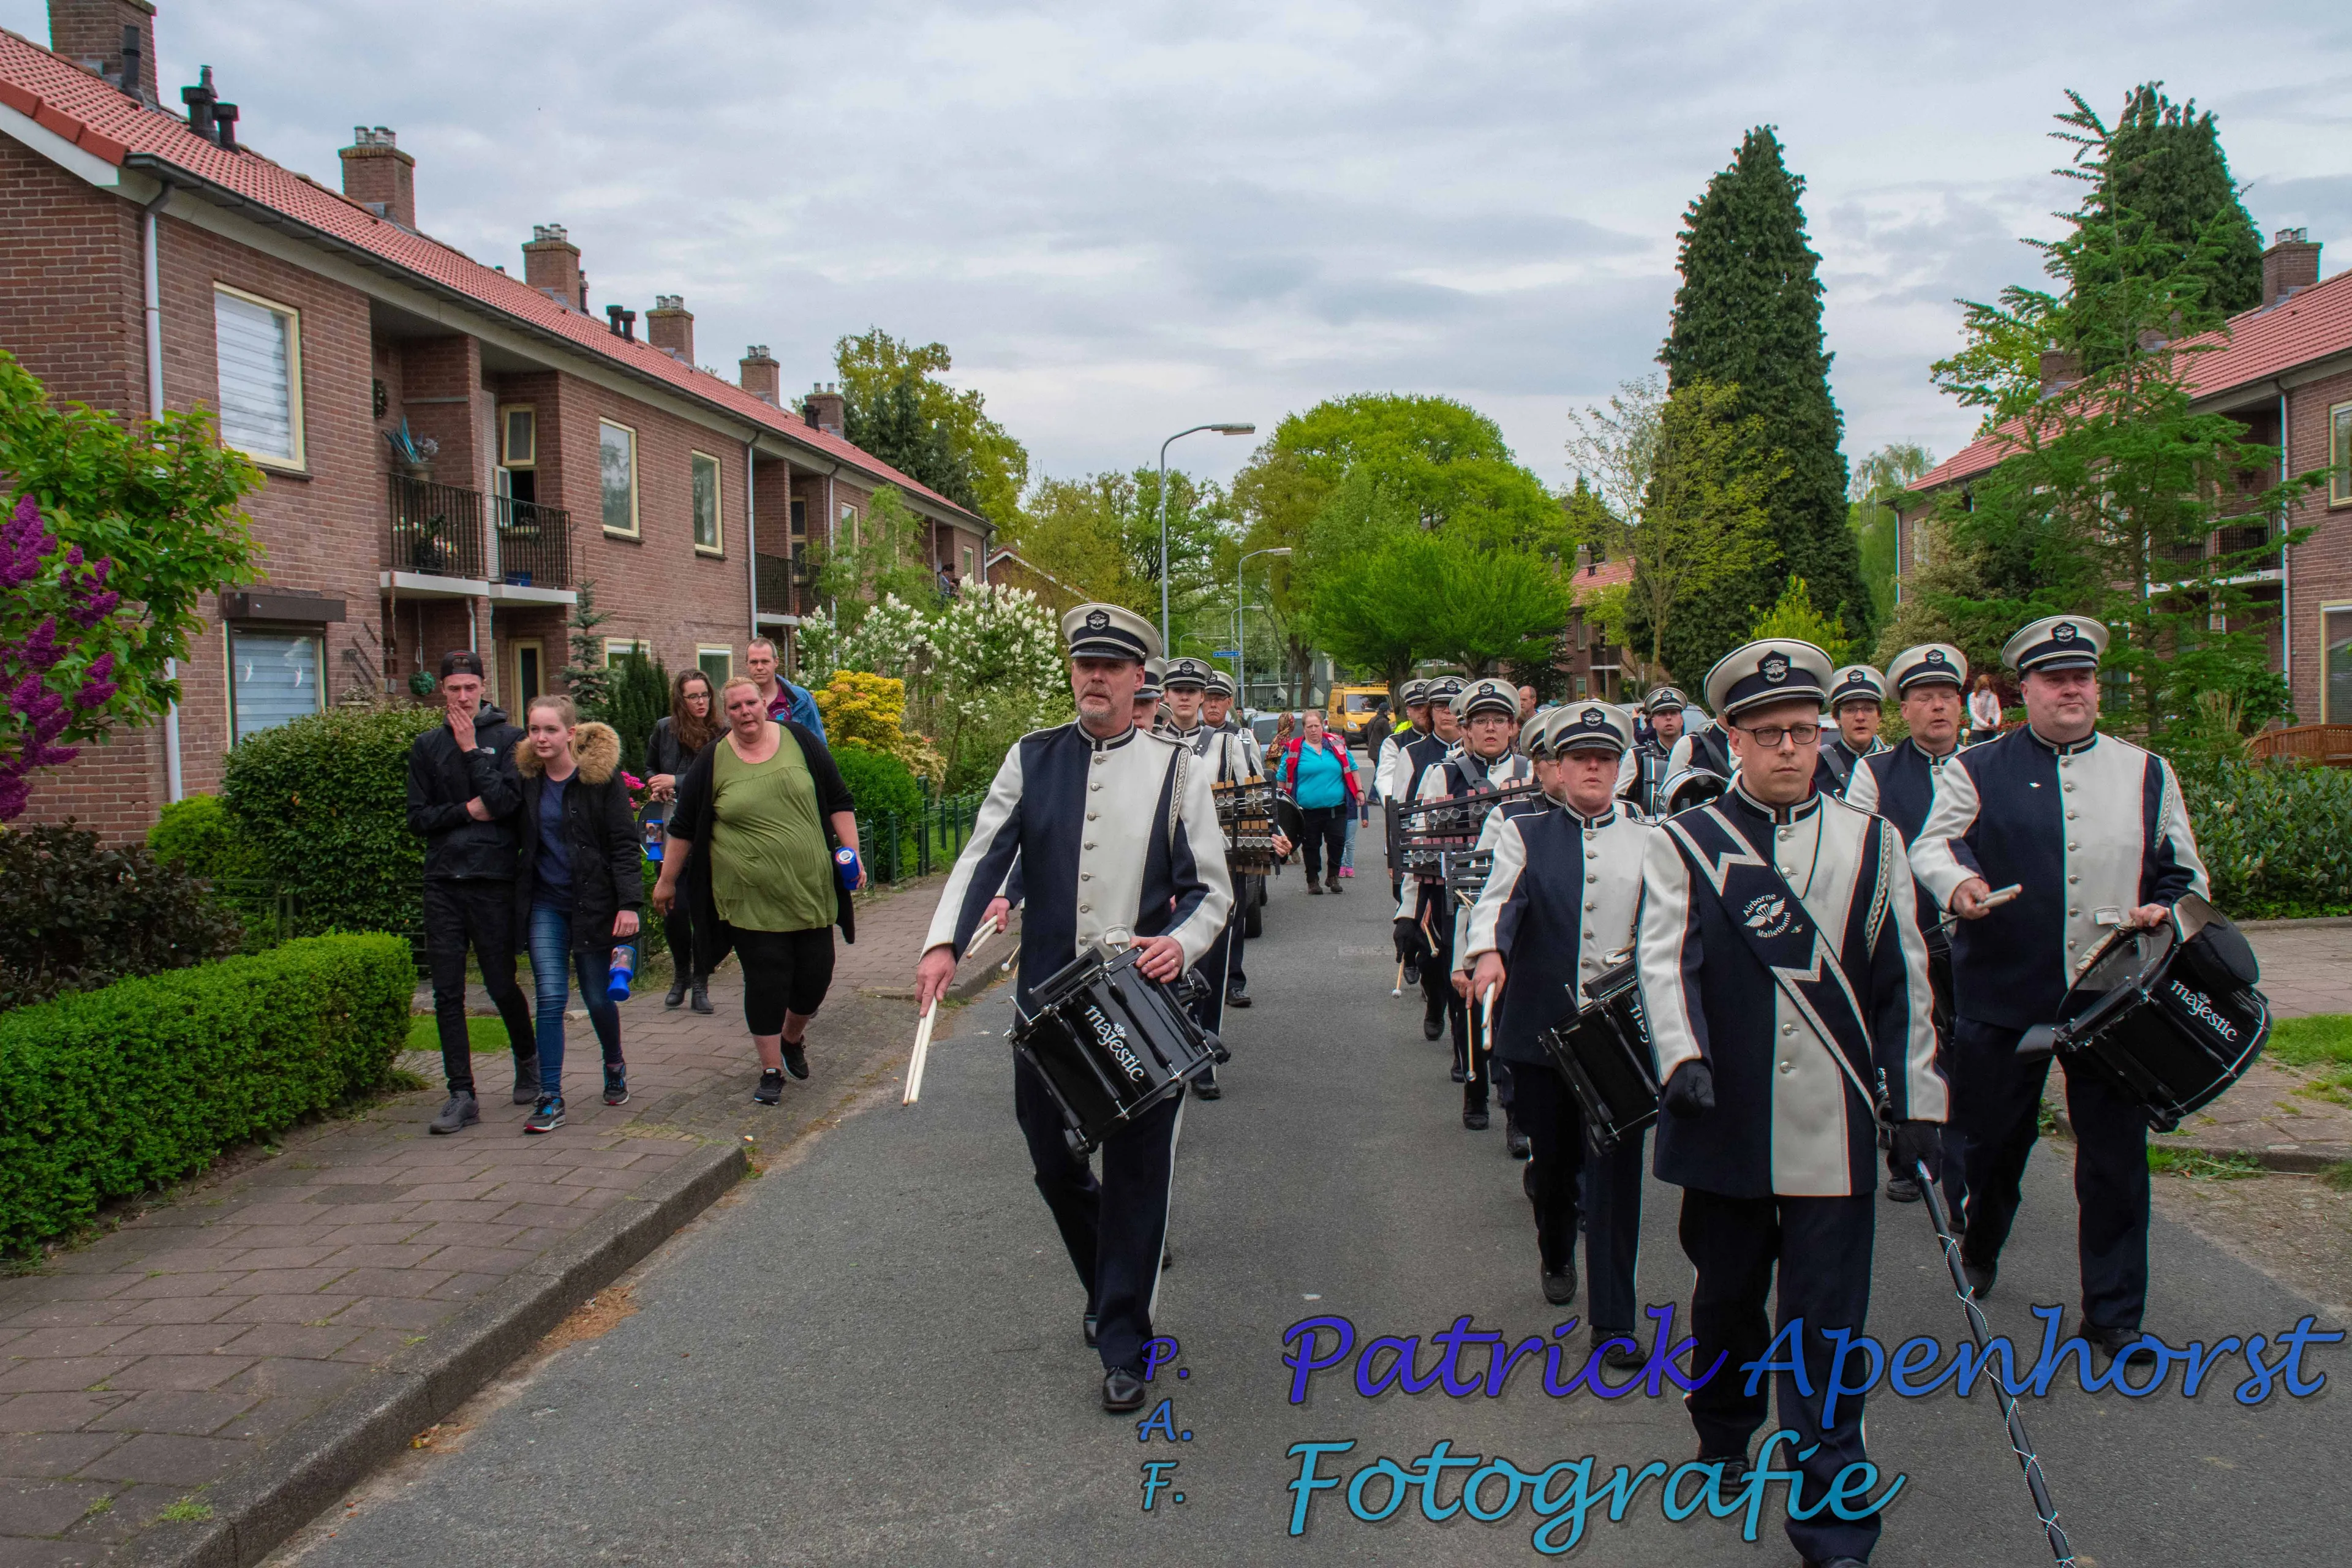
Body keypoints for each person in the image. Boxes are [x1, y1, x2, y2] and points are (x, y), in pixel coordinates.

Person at [1637, 637, 1945, 1568]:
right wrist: (1680, 1057)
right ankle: (1725, 1426)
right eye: (1767, 733)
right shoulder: (1685, 842)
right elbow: (1665, 961)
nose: (1788, 749)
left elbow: (1909, 985)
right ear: (1732, 736)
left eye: (1802, 733)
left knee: (1828, 1325)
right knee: (1729, 1300)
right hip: (1723, 1119)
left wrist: (1919, 1101)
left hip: (1836, 1133)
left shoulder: (1873, 843)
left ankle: (1833, 1514)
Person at [912, 601, 1232, 1414]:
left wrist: (1180, 945)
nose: (1095, 677)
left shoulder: (1178, 769)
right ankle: (1112, 1277)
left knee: (1135, 1176)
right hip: (1046, 1008)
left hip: (1144, 1007)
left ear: (1137, 680)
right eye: (1085, 663)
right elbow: (985, 853)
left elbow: (1211, 893)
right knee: (1054, 1163)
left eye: (1112, 666)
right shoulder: (1032, 757)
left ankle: (1125, 1340)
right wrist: (943, 943)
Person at [1910, 615, 2207, 1364]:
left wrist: (2163, 912)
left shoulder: (2147, 772)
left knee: (2113, 1159)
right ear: (2027, 690)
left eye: (2083, 677)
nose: (2071, 688)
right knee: (1992, 1143)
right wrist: (1962, 883)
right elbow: (1933, 844)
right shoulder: (1978, 767)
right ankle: (1981, 1238)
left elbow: (2187, 878)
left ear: (2097, 687)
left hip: (2113, 1000)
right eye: (2054, 678)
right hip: (2005, 989)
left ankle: (2114, 1318)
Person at [1466, 703, 1651, 1359]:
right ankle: (1554, 1246)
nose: (1594, 768)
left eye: (1605, 758)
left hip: (1620, 1038)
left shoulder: (1651, 839)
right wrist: (1488, 952)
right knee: (1556, 1168)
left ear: (1621, 767)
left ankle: (1615, 1321)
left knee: (1615, 1176)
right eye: (1580, 759)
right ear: (1560, 769)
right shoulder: (1525, 831)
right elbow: (1497, 900)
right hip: (1544, 1027)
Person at [652, 674, 864, 1106]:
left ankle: (792, 1037)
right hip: (747, 895)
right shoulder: (713, 761)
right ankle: (770, 1070)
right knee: (766, 979)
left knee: (815, 976)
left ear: (763, 705)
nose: (745, 712)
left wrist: (852, 854)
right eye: (735, 707)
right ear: (725, 714)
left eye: (751, 703)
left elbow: (839, 798)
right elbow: (683, 826)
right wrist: (666, 880)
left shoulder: (800, 740)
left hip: (810, 889)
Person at [1844, 644, 1969, 1203]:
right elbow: (1861, 851)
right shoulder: (1875, 772)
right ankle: (1906, 1153)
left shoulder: (1985, 766)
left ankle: (1966, 1181)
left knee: (1968, 1055)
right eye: (1925, 698)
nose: (1938, 707)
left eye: (1947, 696)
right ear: (1906, 710)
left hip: (1976, 938)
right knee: (1911, 1046)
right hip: (1909, 929)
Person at [407, 650, 535, 1136]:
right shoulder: (425, 747)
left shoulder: (509, 741)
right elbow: (419, 818)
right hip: (443, 881)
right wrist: (465, 810)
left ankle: (527, 1058)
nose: (463, 696)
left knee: (501, 983)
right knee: (446, 992)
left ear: (484, 686)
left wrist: (469, 750)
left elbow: (505, 803)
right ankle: (462, 1093)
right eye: (454, 688)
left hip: (492, 880)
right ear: (442, 690)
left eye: (470, 688)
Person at [511, 696, 643, 1131]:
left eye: (550, 730)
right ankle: (550, 1096)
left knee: (597, 997)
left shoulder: (598, 782)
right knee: (550, 997)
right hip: (546, 904)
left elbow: (624, 844)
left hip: (594, 903)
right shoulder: (528, 780)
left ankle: (614, 1063)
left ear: (570, 733)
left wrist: (629, 904)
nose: (541, 738)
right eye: (534, 729)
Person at [1411, 677, 1534, 1112]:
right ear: (1464, 729)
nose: (1490, 729)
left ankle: (1511, 1090)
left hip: (1517, 902)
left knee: (1515, 994)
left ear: (1514, 727)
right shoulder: (1442, 773)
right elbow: (1421, 842)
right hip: (1457, 901)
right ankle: (1474, 1083)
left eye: (1499, 720)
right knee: (1466, 992)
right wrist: (1410, 912)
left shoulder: (1529, 773)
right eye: (1480, 721)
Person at [1162, 657, 1256, 1090]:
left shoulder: (1226, 744)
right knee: (1162, 963)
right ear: (1165, 696)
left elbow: (1251, 805)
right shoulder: (1149, 741)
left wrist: (1261, 847)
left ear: (1202, 698)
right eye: (1176, 690)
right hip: (1162, 870)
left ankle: (1203, 1061)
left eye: (1192, 691)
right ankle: (1166, 1055)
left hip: (1214, 865)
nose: (1183, 697)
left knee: (1211, 967)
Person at [646, 669, 723, 1014]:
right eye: (693, 696)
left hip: (708, 832)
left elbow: (716, 774)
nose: (701, 702)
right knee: (674, 910)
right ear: (681, 700)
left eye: (705, 695)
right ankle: (680, 974)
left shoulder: (721, 732)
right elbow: (649, 768)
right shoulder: (665, 729)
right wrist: (656, 783)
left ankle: (700, 983)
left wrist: (675, 779)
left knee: (704, 912)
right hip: (668, 827)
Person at [1273, 708, 1359, 892]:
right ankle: (1313, 880)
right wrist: (1283, 802)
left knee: (1337, 843)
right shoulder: (1295, 749)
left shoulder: (1337, 745)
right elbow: (1281, 776)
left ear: (1323, 726)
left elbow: (1352, 768)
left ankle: (1333, 877)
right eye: (1309, 726)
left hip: (1337, 808)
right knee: (1311, 846)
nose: (1314, 730)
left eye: (1317, 726)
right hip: (1307, 810)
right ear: (1304, 729)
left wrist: (1359, 791)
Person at [1813, 665, 1888, 798]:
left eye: (1868, 709)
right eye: (1850, 710)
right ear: (1837, 719)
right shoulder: (1817, 765)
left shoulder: (1897, 764)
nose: (1860, 717)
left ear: (1879, 717)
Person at [744, 636, 827, 742]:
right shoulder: (739, 702)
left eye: (765, 661)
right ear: (747, 664)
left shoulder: (800, 699)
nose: (759, 667)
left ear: (776, 662)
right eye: (754, 662)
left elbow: (818, 744)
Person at [1626, 686, 1688, 816]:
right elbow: (1620, 802)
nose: (1669, 718)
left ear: (1681, 721)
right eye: (1662, 714)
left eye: (1673, 713)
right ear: (1653, 723)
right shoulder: (1637, 755)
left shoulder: (1697, 751)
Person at [1967, 672, 2005, 745]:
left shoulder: (1993, 696)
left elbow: (1998, 712)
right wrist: (1985, 725)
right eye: (1983, 686)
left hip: (1991, 729)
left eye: (1987, 686)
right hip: (1977, 730)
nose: (1985, 688)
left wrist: (1996, 724)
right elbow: (1973, 714)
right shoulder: (1973, 696)